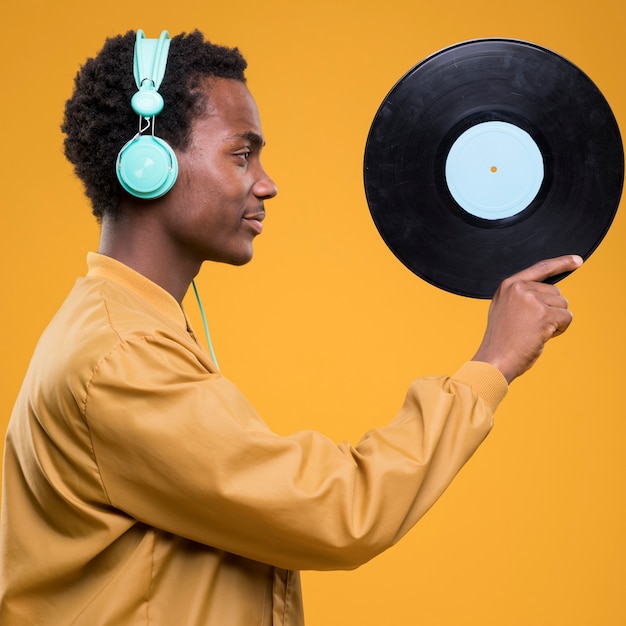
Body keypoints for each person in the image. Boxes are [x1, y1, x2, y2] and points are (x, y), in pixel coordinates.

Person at [0, 29, 581, 626]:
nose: (266, 182)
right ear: (149, 165)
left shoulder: (124, 327)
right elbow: (336, 512)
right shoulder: (124, 355)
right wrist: (492, 364)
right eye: (240, 153)